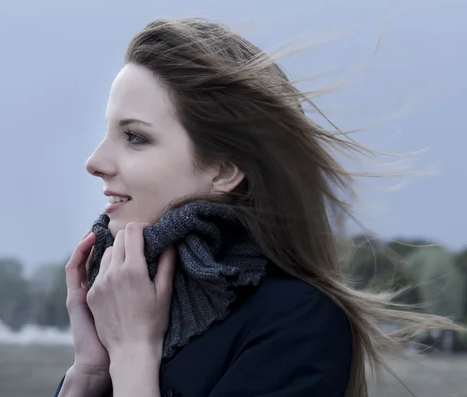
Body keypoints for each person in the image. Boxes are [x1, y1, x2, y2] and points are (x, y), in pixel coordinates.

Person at [54, 18, 459, 397]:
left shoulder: (300, 323)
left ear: (224, 169)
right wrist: (90, 370)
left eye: (135, 137)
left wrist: (133, 355)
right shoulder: (124, 314)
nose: (94, 162)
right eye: (108, 132)